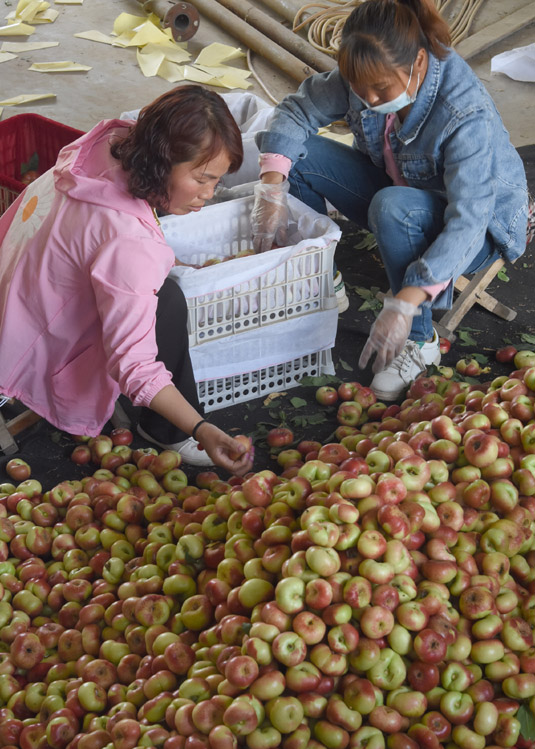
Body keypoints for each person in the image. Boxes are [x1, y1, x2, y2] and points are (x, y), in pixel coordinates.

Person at [251, 0, 529, 401]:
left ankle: (420, 338)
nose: (368, 99)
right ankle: (322, 277)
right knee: (292, 155)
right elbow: (297, 111)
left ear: (418, 63)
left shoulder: (464, 113)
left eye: (381, 89)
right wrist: (272, 189)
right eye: (359, 88)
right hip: (398, 191)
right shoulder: (367, 76)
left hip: (478, 230)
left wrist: (406, 304)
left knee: (393, 207)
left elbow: (469, 219)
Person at [0, 85, 252, 475]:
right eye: (202, 179)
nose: (209, 193)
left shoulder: (101, 148)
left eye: (216, 181)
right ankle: (168, 430)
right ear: (163, 163)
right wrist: (201, 429)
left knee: (164, 294)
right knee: (165, 300)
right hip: (26, 343)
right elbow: (134, 366)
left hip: (15, 286)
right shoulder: (131, 244)